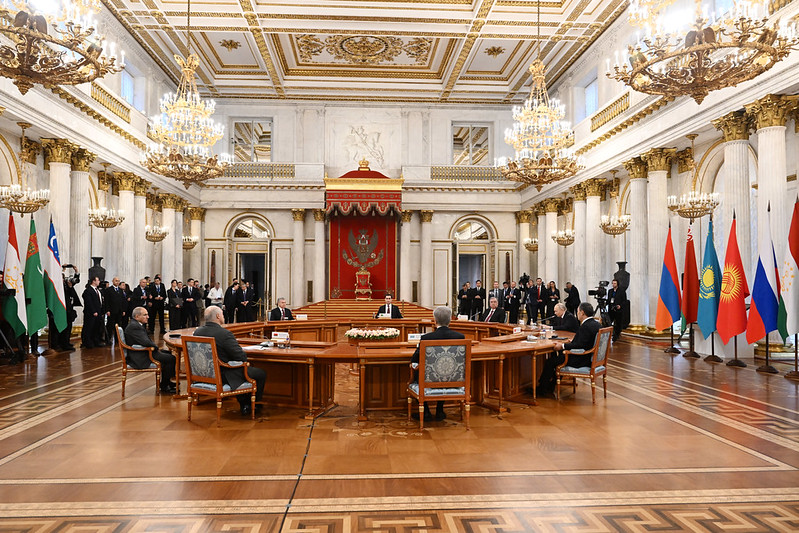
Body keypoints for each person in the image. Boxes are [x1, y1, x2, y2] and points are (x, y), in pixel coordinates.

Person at [193, 306, 266, 416]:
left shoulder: (197, 332)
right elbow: (241, 357)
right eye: (222, 314)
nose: (223, 316)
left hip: (203, 374)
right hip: (223, 374)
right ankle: (250, 404)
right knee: (259, 373)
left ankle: (245, 404)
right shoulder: (224, 334)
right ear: (218, 316)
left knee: (242, 371)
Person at [410, 306, 465, 421]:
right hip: (452, 378)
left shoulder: (426, 338)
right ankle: (440, 410)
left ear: (435, 321)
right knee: (445, 372)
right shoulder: (460, 337)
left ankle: (426, 412)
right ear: (450, 320)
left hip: (428, 380)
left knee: (419, 372)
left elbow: (414, 359)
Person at [538, 302, 601, 394]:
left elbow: (579, 345)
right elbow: (585, 341)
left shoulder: (585, 326)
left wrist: (562, 346)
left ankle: (542, 389)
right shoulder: (596, 324)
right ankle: (550, 386)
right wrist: (571, 341)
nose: (577, 314)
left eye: (578, 312)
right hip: (590, 358)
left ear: (582, 313)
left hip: (581, 359)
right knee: (558, 358)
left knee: (550, 362)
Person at [124, 307, 176, 394]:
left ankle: (167, 382)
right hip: (140, 355)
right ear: (137, 316)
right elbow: (146, 342)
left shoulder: (136, 324)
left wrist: (156, 348)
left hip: (143, 351)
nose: (148, 317)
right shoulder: (134, 327)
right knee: (171, 358)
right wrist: (155, 347)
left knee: (167, 353)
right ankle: (164, 386)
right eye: (145, 315)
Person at [81, 276, 106, 348]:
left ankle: (96, 341)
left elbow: (100, 302)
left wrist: (102, 311)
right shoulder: (88, 291)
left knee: (96, 328)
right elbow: (89, 302)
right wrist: (93, 311)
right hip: (91, 313)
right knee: (89, 328)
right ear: (93, 281)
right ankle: (87, 343)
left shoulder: (98, 290)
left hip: (98, 313)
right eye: (98, 280)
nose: (99, 282)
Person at [104, 277, 127, 343]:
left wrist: (123, 310)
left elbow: (123, 301)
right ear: (113, 281)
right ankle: (108, 339)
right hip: (111, 311)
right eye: (116, 281)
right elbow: (106, 301)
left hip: (119, 311)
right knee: (110, 325)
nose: (117, 282)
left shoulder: (120, 290)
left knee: (118, 325)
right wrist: (107, 310)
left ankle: (117, 339)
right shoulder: (108, 290)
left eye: (118, 281)